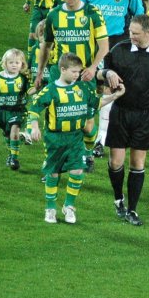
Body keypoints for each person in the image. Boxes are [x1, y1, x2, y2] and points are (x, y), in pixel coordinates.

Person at [96, 14, 149, 226]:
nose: (131, 36)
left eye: (136, 34)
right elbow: (98, 73)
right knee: (115, 162)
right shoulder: (119, 50)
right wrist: (108, 72)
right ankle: (118, 199)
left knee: (137, 163)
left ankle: (132, 209)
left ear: (148, 32)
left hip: (145, 115)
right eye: (130, 32)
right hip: (120, 112)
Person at [36, 0, 109, 172]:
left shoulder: (93, 13)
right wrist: (40, 72)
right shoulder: (54, 15)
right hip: (58, 75)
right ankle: (51, 162)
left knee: (86, 123)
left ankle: (86, 153)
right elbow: (47, 46)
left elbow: (104, 45)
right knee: (54, 120)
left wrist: (93, 68)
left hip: (85, 75)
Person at [82, 0, 145, 157]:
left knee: (110, 88)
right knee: (95, 89)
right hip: (93, 43)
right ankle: (91, 137)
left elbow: (139, 14)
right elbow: (80, 12)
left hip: (118, 43)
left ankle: (100, 139)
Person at [29, 53, 97, 224]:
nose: (77, 75)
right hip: (55, 139)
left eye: (79, 71)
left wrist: (114, 97)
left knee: (77, 170)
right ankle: (50, 208)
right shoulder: (50, 89)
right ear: (63, 69)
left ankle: (69, 206)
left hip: (75, 137)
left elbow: (95, 103)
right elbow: (34, 109)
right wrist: (34, 127)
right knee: (53, 172)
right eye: (74, 71)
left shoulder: (81, 88)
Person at [0, 49, 30, 171]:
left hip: (18, 110)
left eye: (17, 63)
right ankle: (13, 151)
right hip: (2, 112)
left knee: (14, 130)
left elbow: (29, 91)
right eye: (11, 62)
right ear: (5, 63)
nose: (14, 65)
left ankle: (14, 159)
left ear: (22, 64)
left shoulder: (23, 79)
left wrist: (38, 87)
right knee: (7, 135)